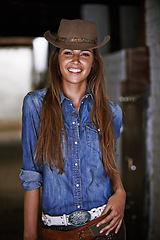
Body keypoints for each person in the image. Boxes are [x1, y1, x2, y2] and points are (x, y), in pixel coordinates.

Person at [19, 19, 126, 240]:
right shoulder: (35, 105)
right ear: (57, 58)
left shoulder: (112, 111)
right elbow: (31, 176)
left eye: (85, 54)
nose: (76, 60)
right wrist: (29, 235)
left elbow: (109, 163)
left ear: (94, 62)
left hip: (105, 228)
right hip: (57, 231)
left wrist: (121, 193)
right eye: (68, 52)